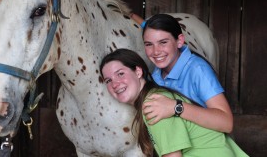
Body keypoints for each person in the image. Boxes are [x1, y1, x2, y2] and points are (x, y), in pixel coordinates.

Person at [100, 48, 248, 157]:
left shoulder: (153, 104)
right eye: (108, 80)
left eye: (120, 74)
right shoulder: (156, 96)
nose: (115, 83)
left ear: (138, 72)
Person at [130, 13, 233, 133]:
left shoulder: (198, 69)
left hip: (208, 146)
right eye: (149, 44)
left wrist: (175, 107)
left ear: (179, 41)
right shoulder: (156, 75)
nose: (156, 51)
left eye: (163, 42)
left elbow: (227, 123)